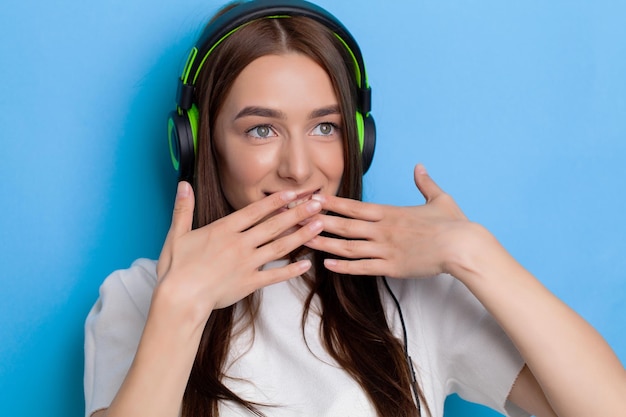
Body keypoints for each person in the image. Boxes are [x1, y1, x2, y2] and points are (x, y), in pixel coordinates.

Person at [83, 1, 626, 416]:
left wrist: (473, 253)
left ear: (360, 140)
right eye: (261, 129)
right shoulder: (141, 297)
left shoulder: (413, 293)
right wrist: (182, 304)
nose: (300, 167)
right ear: (199, 145)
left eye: (325, 126)